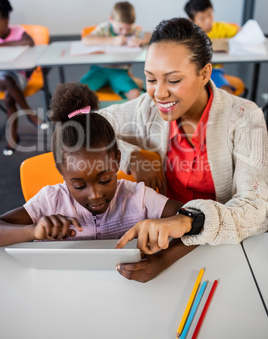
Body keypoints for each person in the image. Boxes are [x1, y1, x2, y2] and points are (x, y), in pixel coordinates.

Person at [96, 18, 268, 262]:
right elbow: (86, 126)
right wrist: (131, 156)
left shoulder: (244, 117)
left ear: (205, 73)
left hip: (227, 247)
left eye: (173, 80)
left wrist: (188, 220)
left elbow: (255, 209)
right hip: (163, 243)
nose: (159, 93)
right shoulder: (147, 109)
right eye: (151, 79)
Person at [0, 82, 196, 283]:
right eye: (79, 186)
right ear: (60, 171)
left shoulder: (139, 198)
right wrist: (32, 231)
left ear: (118, 161)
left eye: (104, 179)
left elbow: (200, 220)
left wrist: (162, 261)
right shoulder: (50, 202)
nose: (95, 194)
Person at [0, 0, 47, 156]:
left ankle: (12, 139)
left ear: (6, 20)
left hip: (18, 78)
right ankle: (28, 112)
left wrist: (4, 44)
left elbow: (29, 42)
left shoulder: (18, 31)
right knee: (6, 80)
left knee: (8, 98)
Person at [80, 1, 151, 100]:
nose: (124, 32)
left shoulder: (133, 31)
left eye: (128, 28)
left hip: (120, 71)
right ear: (111, 19)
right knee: (79, 92)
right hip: (99, 69)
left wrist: (140, 40)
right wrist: (112, 41)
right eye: (121, 28)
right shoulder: (104, 28)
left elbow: (150, 35)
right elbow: (86, 40)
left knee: (134, 93)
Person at [184, 0, 245, 95]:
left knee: (226, 90)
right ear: (192, 20)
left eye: (210, 15)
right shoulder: (190, 32)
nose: (208, 21)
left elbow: (239, 30)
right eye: (202, 19)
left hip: (215, 70)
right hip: (195, 71)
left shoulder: (221, 27)